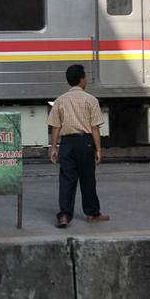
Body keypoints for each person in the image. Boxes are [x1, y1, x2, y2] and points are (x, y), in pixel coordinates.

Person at [47, 64, 110, 228]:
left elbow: (56, 126)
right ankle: (92, 212)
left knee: (67, 180)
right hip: (85, 142)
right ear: (82, 79)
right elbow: (95, 127)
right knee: (88, 179)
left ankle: (64, 216)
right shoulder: (91, 100)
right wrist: (98, 149)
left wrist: (54, 148)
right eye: (86, 77)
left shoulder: (60, 101)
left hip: (67, 143)